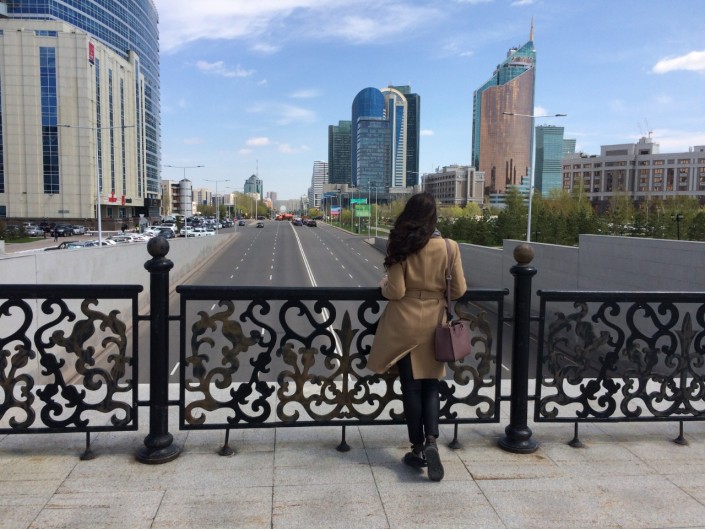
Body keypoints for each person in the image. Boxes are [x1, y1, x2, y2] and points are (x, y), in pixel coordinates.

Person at [367, 192, 467, 482]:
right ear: (434, 217)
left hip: (404, 323)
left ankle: (417, 448)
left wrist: (384, 284)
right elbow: (459, 290)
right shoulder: (449, 246)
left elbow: (396, 291)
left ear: (408, 215)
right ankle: (432, 440)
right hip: (435, 323)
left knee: (411, 388)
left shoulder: (401, 244)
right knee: (431, 385)